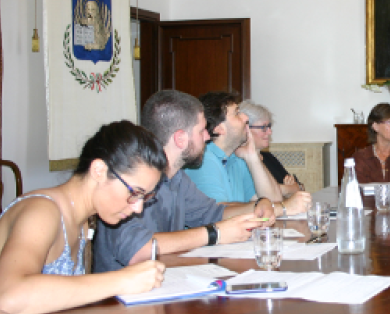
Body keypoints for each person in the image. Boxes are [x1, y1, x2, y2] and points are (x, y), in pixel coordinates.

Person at [93, 90, 276, 273]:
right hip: (119, 297)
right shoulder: (130, 180)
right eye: (201, 130)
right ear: (180, 139)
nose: (207, 136)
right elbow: (137, 249)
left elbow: (211, 212)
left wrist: (257, 207)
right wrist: (215, 233)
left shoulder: (178, 178)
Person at [0, 121, 168, 314]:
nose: (138, 208)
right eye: (135, 193)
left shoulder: (84, 220)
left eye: (145, 197)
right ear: (99, 170)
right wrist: (122, 280)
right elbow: (7, 297)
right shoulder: (41, 211)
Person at [184, 92, 310, 216]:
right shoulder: (204, 159)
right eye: (237, 113)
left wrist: (252, 157)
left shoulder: (236, 158)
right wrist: (283, 208)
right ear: (219, 128)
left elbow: (273, 199)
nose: (245, 118)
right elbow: (218, 213)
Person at [239, 100, 303, 194]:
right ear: (246, 129)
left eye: (269, 126)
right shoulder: (239, 161)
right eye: (263, 128)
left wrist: (286, 189)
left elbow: (300, 187)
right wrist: (285, 189)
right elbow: (262, 194)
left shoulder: (268, 157)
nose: (270, 132)